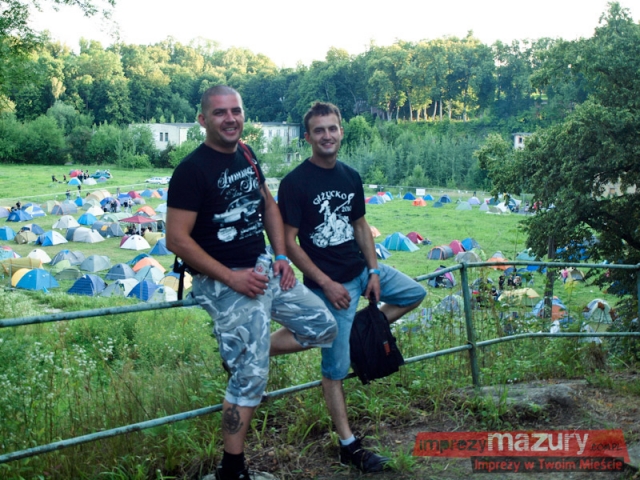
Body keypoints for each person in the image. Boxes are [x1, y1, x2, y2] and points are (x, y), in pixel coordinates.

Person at [165, 86, 337, 480]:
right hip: (221, 280)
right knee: (249, 379)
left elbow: (269, 206)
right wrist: (231, 277)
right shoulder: (191, 170)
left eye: (236, 111)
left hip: (261, 267)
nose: (230, 119)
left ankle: (249, 354)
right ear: (202, 120)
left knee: (322, 325)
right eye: (220, 112)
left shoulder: (245, 152)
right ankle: (232, 470)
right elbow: (176, 239)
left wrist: (281, 255)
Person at [277, 102, 427, 473]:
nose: (327, 136)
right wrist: (327, 284)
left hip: (361, 272)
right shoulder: (295, 182)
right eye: (319, 130)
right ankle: (348, 445)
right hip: (333, 285)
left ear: (341, 132)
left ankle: (359, 332)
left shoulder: (350, 176)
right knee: (336, 369)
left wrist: (374, 271)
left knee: (414, 293)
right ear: (308, 136)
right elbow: (289, 242)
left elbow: (360, 226)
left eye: (332, 128)